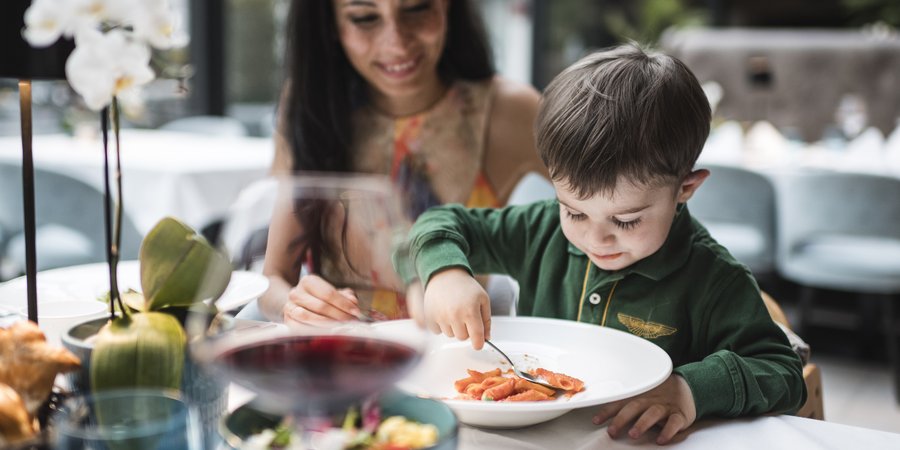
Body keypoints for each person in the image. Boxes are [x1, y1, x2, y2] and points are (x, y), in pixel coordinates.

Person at [397, 44, 806, 444]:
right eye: (574, 212)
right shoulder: (539, 229)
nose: (596, 238)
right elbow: (439, 222)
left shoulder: (714, 278)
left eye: (626, 220)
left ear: (685, 188)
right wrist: (445, 272)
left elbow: (781, 370)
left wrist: (689, 391)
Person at [257, 0, 547, 324]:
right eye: (365, 18)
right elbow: (272, 280)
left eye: (416, 9)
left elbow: (603, 204)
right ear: (330, 25)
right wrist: (294, 304)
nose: (396, 41)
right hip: (339, 359)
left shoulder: (509, 111)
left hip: (458, 364)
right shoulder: (312, 107)